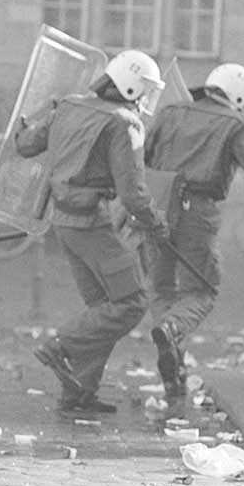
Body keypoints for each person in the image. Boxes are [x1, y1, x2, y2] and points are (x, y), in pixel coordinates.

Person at [14, 49, 166, 415]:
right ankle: (59, 346)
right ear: (131, 86)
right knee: (130, 303)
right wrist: (156, 222)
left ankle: (78, 392)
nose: (146, 98)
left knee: (102, 307)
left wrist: (22, 124)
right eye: (145, 89)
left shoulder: (68, 105)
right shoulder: (124, 123)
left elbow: (25, 146)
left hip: (62, 223)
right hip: (92, 224)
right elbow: (132, 194)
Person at [143, 64, 244, 401]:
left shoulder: (170, 111)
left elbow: (143, 155)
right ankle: (171, 329)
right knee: (203, 288)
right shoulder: (235, 125)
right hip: (197, 211)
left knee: (161, 285)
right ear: (238, 95)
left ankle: (173, 362)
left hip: (156, 206)